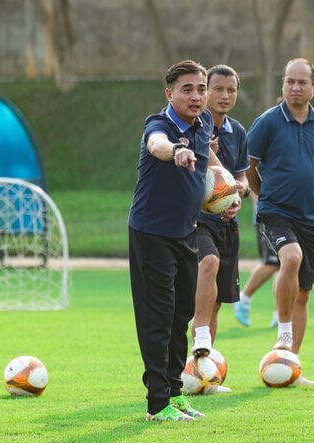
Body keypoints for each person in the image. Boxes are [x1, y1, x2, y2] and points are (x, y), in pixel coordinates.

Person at [128, 60, 237, 422]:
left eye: (201, 88)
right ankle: (157, 404)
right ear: (169, 93)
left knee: (181, 317)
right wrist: (175, 150)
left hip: (185, 232)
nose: (196, 96)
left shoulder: (204, 122)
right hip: (151, 234)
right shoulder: (159, 125)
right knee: (157, 319)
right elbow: (157, 144)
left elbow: (209, 159)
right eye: (187, 89)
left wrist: (229, 189)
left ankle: (175, 395)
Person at [246, 58, 314, 385]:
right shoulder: (267, 122)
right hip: (275, 213)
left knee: (303, 295)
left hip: (312, 217)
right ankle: (282, 333)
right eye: (290, 82)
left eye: (302, 82)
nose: (295, 87)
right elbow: (249, 167)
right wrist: (264, 197)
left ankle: (290, 366)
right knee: (291, 257)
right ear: (282, 85)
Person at [190, 65, 250, 367]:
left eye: (231, 90)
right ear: (205, 90)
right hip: (196, 222)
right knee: (208, 263)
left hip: (227, 225)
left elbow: (243, 177)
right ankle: (199, 333)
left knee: (216, 303)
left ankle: (203, 371)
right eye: (218, 89)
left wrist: (240, 191)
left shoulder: (237, 132)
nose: (225, 95)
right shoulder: (191, 126)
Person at [232, 191, 280, 328]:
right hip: (267, 216)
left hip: (285, 217)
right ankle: (243, 298)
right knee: (272, 263)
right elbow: (254, 184)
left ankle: (280, 315)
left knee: (284, 266)